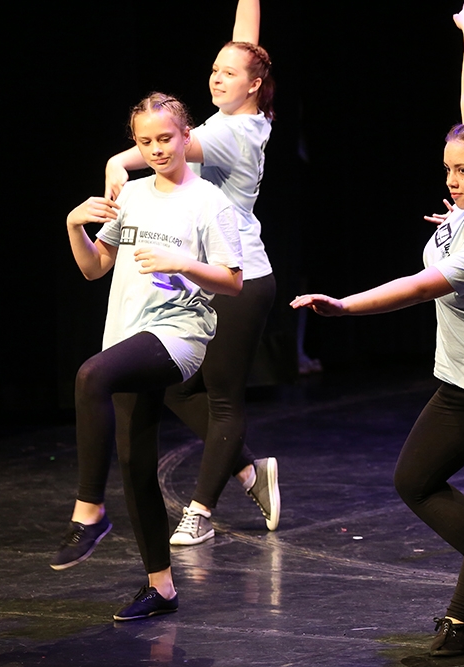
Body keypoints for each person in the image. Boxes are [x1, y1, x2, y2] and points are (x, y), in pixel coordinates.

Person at [291, 0, 464, 657]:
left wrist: (346, 306)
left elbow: (417, 287)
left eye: (463, 171)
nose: (451, 179)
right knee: (414, 480)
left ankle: (459, 621)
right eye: (448, 169)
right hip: (462, 379)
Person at [56, 93, 243, 620]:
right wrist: (74, 226)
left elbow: (232, 281)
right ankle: (161, 587)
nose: (157, 149)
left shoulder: (209, 201)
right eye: (145, 142)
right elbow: (95, 268)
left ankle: (89, 510)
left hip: (180, 333)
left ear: (186, 137)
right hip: (128, 335)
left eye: (166, 138)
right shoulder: (133, 196)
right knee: (136, 462)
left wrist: (182, 262)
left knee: (91, 376)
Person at [104, 0, 280, 546]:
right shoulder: (234, 116)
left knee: (223, 397)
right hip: (202, 271)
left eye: (229, 74)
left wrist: (117, 161)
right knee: (178, 387)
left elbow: (167, 148)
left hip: (238, 276)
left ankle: (200, 510)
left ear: (254, 85)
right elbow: (246, 46)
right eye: (214, 70)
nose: (216, 78)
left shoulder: (234, 133)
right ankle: (249, 470)